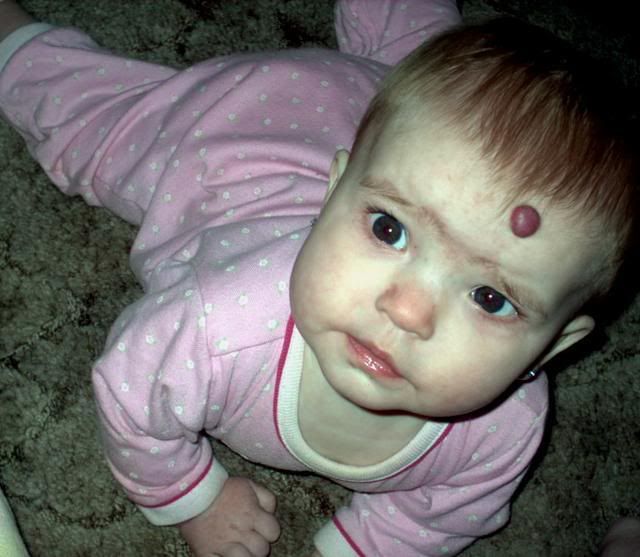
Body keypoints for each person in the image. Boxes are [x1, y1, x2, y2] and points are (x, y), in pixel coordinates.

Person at [0, 0, 637, 555]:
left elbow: (437, 515)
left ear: (553, 348)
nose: (407, 310)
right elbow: (131, 396)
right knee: (85, 116)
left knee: (431, 68)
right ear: (333, 194)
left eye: (490, 298)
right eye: (388, 229)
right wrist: (193, 497)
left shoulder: (503, 431)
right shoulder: (217, 321)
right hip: (233, 137)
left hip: (423, 149)